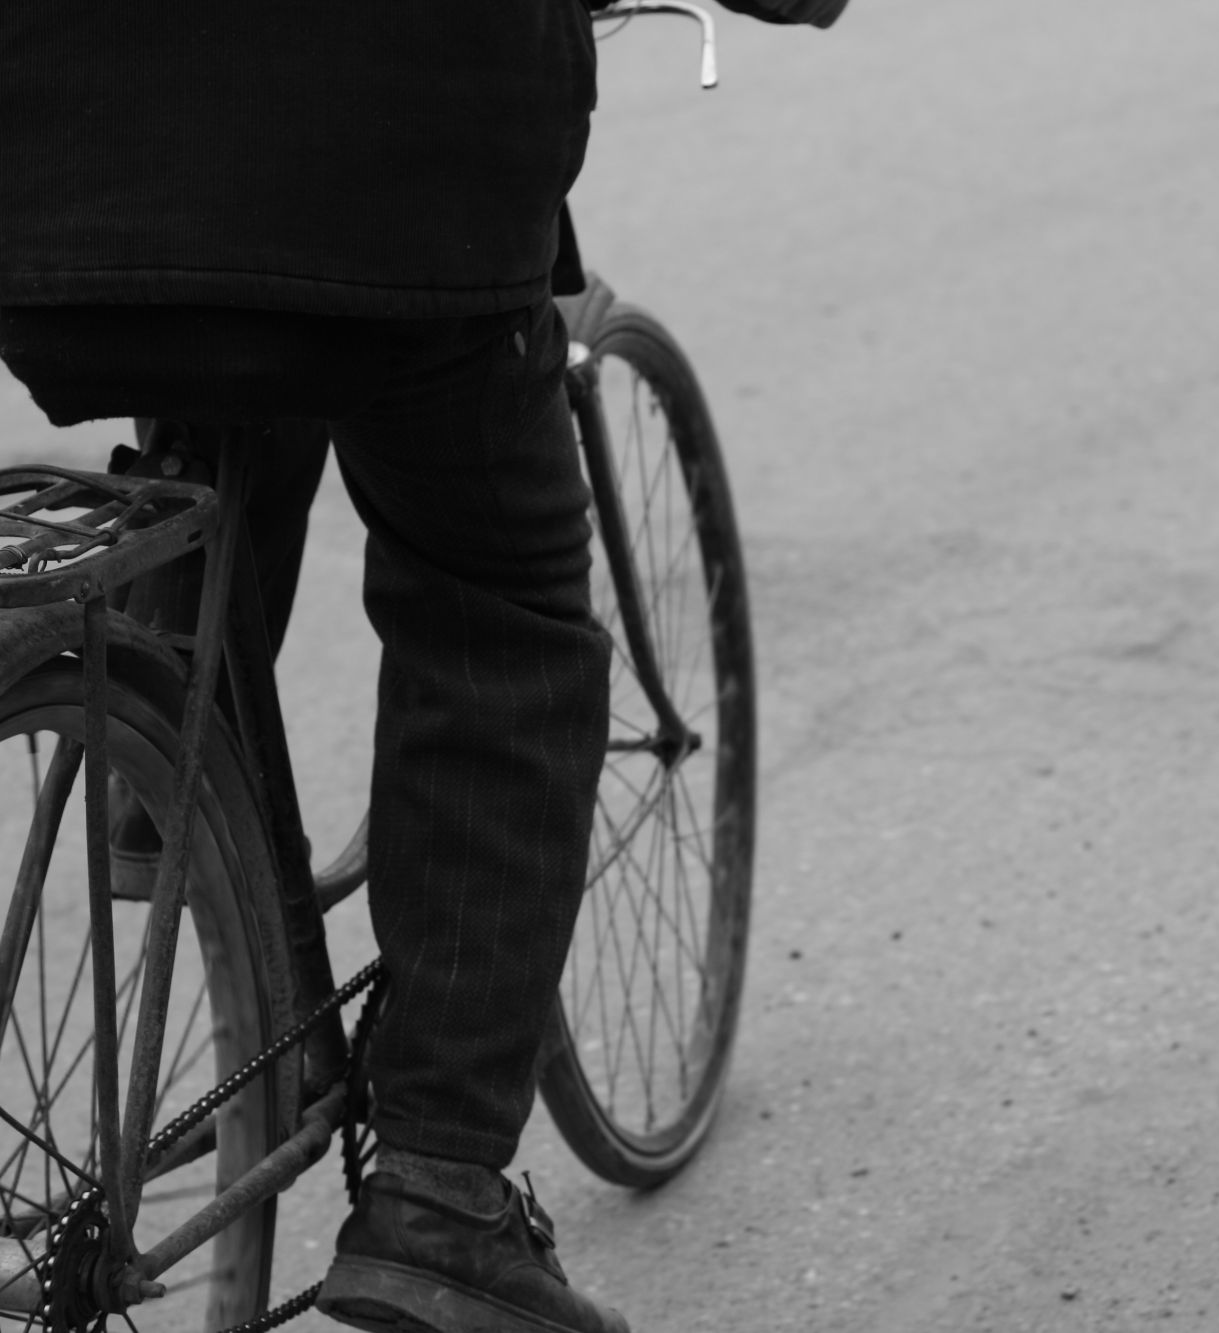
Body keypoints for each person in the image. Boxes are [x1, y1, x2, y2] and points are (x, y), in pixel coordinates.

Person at [0, 2, 846, 1331]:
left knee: (228, 339)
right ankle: (442, 1198)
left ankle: (169, 774)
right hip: (394, 157)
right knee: (495, 597)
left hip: (53, 193)